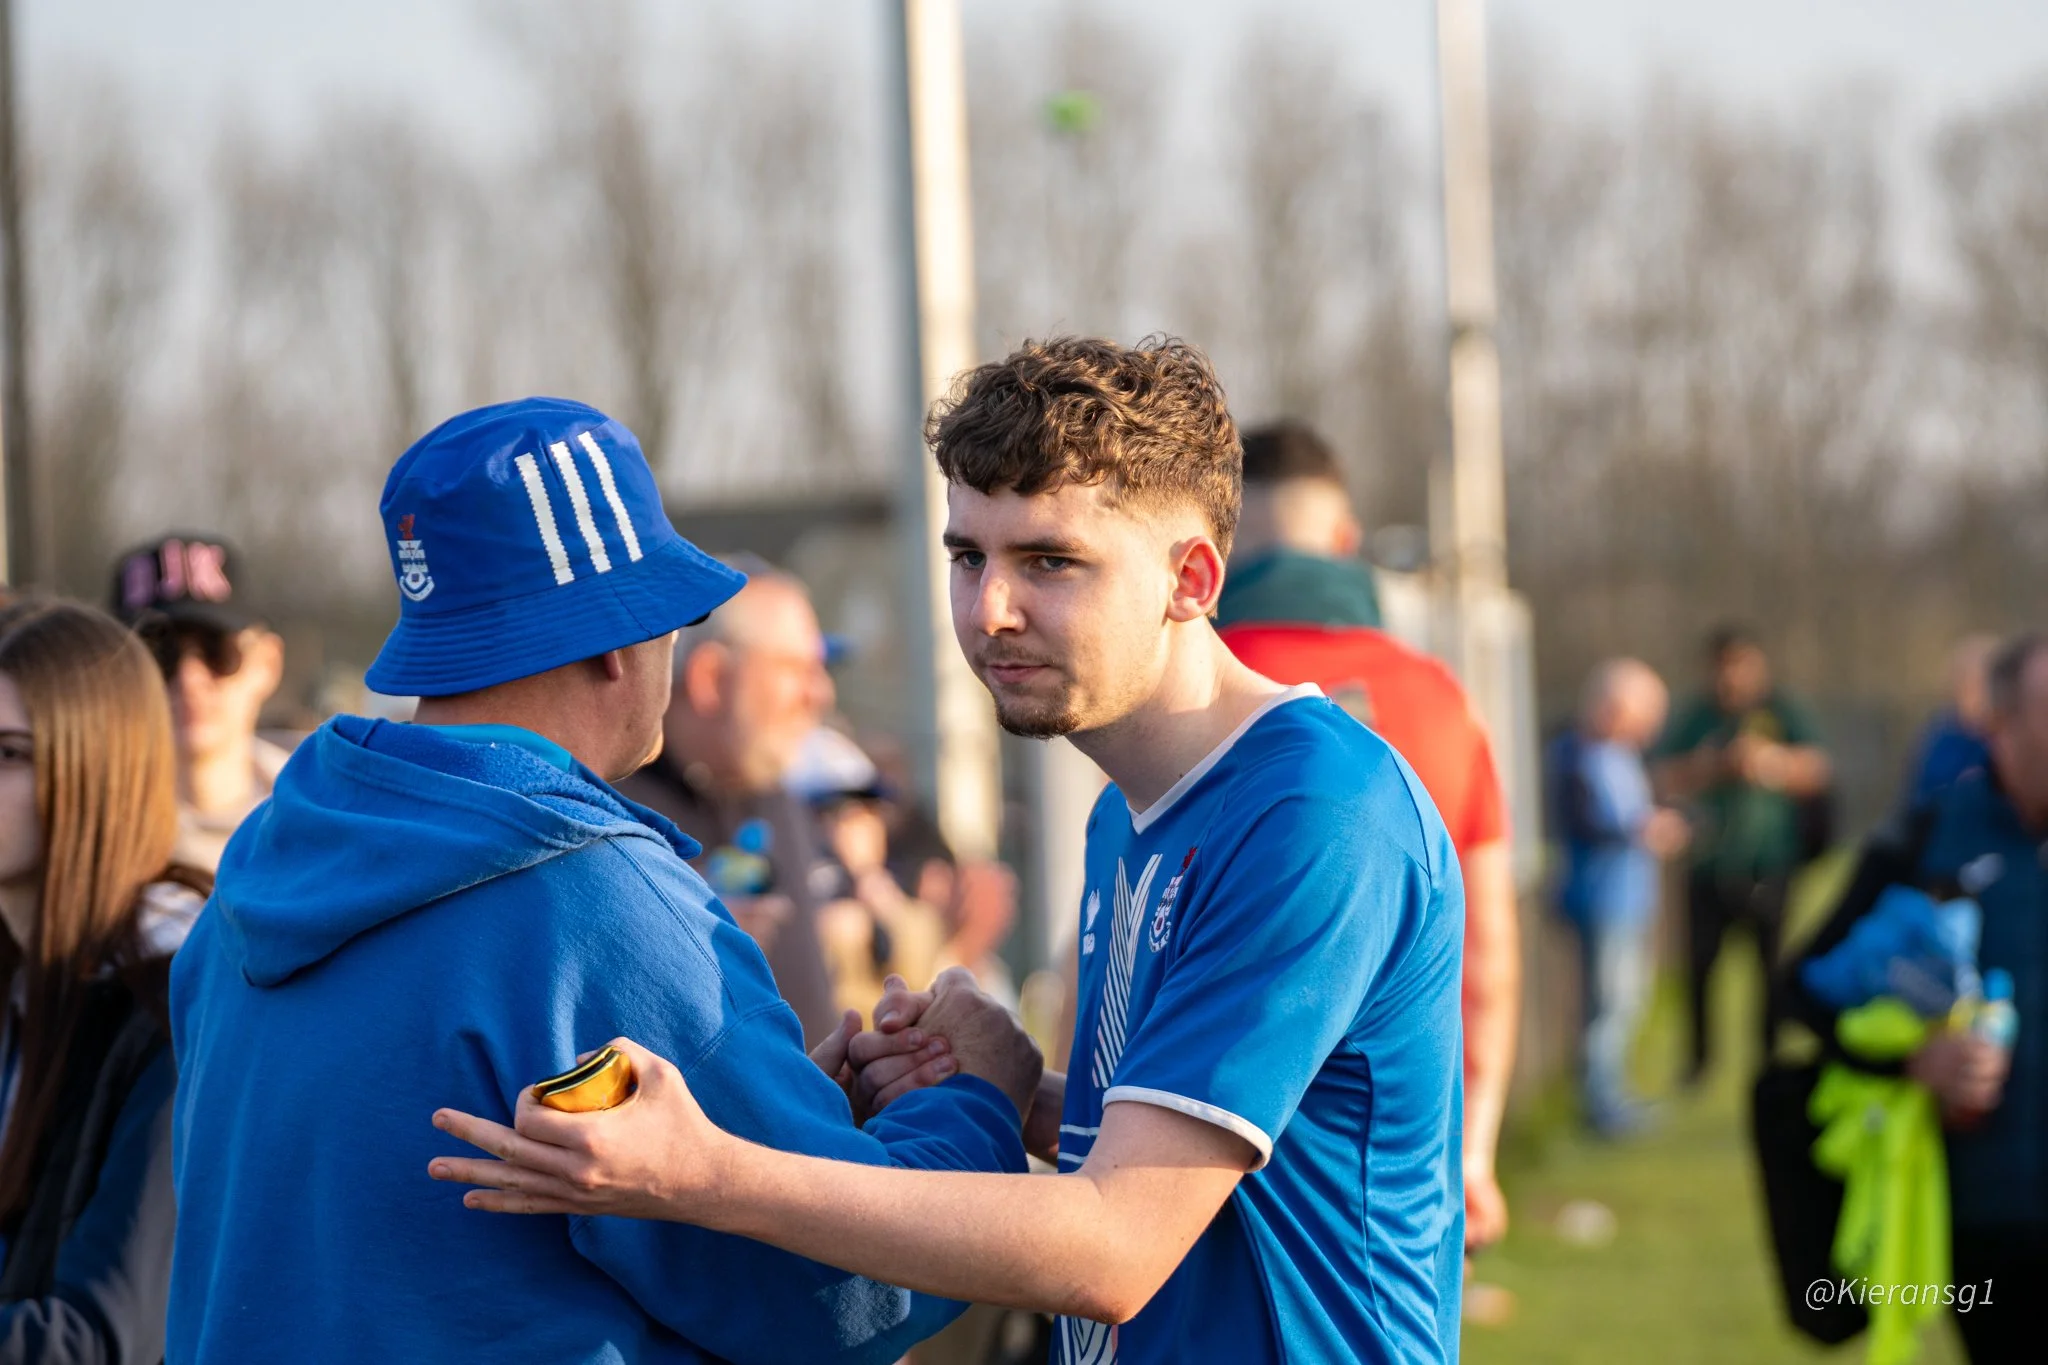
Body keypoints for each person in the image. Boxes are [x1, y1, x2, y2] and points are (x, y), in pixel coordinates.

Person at [434, 338, 1467, 1363]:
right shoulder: (1128, 809)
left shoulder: (1314, 814)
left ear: (1190, 579)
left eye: (1049, 562)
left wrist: (709, 1173)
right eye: (966, 556)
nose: (989, 611)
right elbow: (1197, 1159)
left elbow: (1113, 1244)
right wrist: (1009, 1092)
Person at [168, 397, 1035, 1364]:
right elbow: (847, 1297)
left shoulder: (256, 875)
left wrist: (786, 1117)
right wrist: (975, 1107)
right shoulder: (592, 899)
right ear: (618, 642)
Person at [1215, 419, 1519, 1249]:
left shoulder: (1179, 695)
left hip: (1196, 1168)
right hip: (1397, 1174)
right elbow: (1487, 957)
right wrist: (1475, 1156)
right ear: (1346, 541)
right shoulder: (1444, 700)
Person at [1785, 632, 2048, 1363]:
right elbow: (1800, 991)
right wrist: (1914, 1062)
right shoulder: (1928, 837)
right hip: (1985, 1225)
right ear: (2002, 722)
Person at [0, 598, 208, 1358]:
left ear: (96, 773)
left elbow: (102, 1337)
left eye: (10, 752)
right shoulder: (27, 981)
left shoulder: (174, 1006)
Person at [615, 560, 845, 1046]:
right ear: (711, 678)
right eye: (796, 669)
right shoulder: (617, 815)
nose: (820, 693)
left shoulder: (773, 789)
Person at [1653, 624, 1830, 1084]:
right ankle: (1699, 1061)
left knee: (1770, 967)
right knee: (1699, 967)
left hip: (1769, 861)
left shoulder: (1781, 710)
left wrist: (1770, 763)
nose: (1732, 678)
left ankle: (1769, 1053)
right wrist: (1715, 766)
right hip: (1709, 863)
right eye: (1723, 667)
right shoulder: (1698, 718)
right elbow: (1662, 775)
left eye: (1741, 665)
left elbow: (1818, 769)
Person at [1547, 660, 1689, 1136]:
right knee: (1607, 1003)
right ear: (1614, 708)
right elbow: (1584, 822)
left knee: (1628, 999)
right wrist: (1640, 830)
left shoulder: (1620, 755)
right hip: (1600, 899)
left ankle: (1611, 1095)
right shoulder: (1576, 755)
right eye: (1644, 714)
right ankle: (1600, 1105)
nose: (1650, 727)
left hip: (1629, 900)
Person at [110, 535, 289, 871]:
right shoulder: (82, 841)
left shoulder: (330, 813)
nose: (189, 678)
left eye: (217, 651)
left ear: (267, 663)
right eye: (158, 655)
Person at [1899, 634, 2000, 815]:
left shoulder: (2005, 739)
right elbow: (1920, 799)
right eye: (1971, 687)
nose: (1978, 699)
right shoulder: (1940, 739)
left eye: (1983, 687)